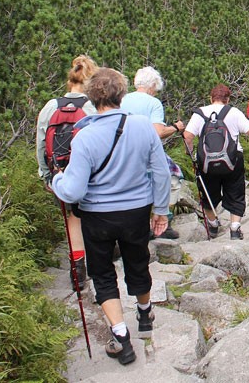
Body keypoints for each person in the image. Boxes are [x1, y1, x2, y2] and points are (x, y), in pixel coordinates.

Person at [51, 68, 171, 366]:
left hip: (97, 216)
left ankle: (120, 336)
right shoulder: (143, 127)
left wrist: (56, 180)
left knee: (103, 273)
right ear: (122, 94)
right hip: (136, 211)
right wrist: (161, 209)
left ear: (92, 97)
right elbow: (160, 172)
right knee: (137, 261)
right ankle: (144, 316)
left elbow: (73, 191)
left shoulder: (85, 136)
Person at [36, 54, 99, 286]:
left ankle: (77, 272)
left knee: (72, 218)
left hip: (61, 172)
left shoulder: (50, 106)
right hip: (92, 174)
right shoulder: (93, 107)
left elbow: (41, 143)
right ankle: (98, 261)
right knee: (92, 216)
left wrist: (46, 175)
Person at [184, 84, 249, 240]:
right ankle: (235, 229)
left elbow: (188, 136)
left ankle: (212, 224)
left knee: (208, 193)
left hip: (206, 163)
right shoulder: (234, 112)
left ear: (211, 98)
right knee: (236, 192)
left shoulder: (200, 113)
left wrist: (191, 155)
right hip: (233, 160)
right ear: (228, 99)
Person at [121, 66, 186, 239]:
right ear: (153, 85)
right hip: (146, 151)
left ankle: (137, 226)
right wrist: (175, 128)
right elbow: (157, 132)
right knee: (173, 178)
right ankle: (163, 222)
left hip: (122, 152)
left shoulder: (122, 99)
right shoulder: (153, 103)